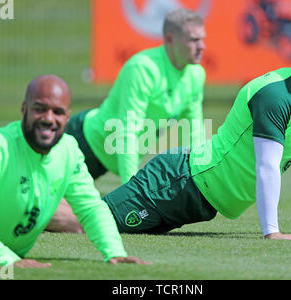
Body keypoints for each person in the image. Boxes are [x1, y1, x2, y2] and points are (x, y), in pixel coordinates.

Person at [100, 13, 291, 240]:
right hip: (180, 182)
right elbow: (267, 165)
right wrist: (273, 232)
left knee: (105, 223)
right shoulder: (277, 94)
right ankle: (59, 199)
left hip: (198, 199)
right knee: (92, 221)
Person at [0, 75, 149, 267]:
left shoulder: (68, 150)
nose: (48, 118)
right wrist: (7, 258)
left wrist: (115, 252)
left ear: (67, 116)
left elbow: (91, 208)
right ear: (23, 109)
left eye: (58, 112)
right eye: (39, 109)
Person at [48, 8, 207, 233]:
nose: (202, 46)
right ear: (170, 39)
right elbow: (126, 130)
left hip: (115, 153)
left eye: (203, 39)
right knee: (42, 205)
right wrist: (131, 189)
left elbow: (195, 130)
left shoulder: (196, 74)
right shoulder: (142, 68)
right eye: (194, 40)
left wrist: (203, 174)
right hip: (85, 143)